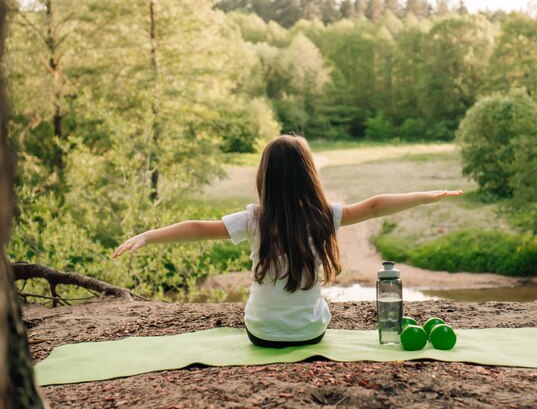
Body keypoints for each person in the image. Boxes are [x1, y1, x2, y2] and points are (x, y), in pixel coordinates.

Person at [112, 135, 463, 348]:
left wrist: (147, 236)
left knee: (256, 306)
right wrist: (426, 196)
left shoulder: (254, 219)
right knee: (320, 309)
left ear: (266, 176)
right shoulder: (323, 214)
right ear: (308, 174)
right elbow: (373, 206)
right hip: (310, 335)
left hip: (261, 335)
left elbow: (198, 228)